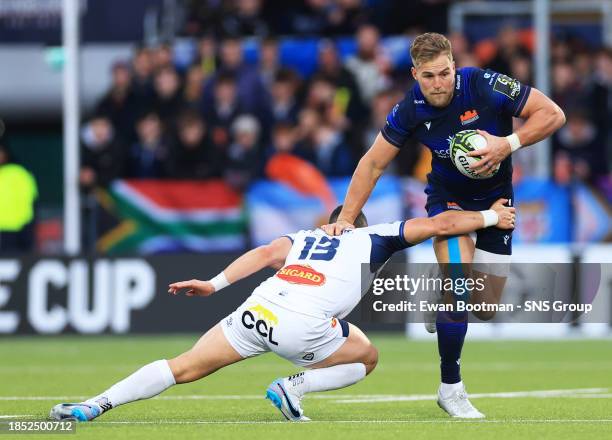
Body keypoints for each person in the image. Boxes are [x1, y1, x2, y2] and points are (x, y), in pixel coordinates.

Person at [49, 200, 515, 422]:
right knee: (367, 357)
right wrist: (493, 217)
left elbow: (264, 253)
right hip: (303, 325)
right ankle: (293, 386)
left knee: (183, 367)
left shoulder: (305, 237)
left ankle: (94, 405)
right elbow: (443, 224)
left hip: (259, 309)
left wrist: (213, 284)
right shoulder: (378, 236)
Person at [321, 32, 566, 418]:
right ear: (414, 74)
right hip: (447, 205)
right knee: (458, 290)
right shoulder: (410, 108)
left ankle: (442, 301)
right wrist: (346, 220)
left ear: (455, 66)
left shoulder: (485, 84)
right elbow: (373, 163)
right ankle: (451, 388)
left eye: (445, 73)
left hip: (498, 204)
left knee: (484, 308)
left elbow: (553, 113)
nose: (439, 84)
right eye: (429, 76)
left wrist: (507, 144)